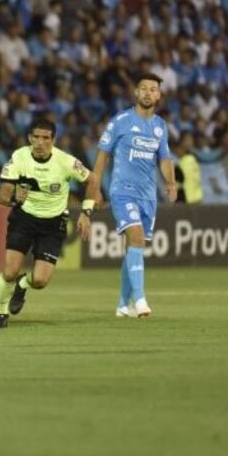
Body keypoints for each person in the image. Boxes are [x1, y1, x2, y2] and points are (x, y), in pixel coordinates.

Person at [87, 74, 176, 318]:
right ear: (136, 93)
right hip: (122, 191)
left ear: (158, 95)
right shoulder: (121, 121)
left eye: (153, 89)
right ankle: (141, 301)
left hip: (148, 196)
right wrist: (95, 189)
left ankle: (122, 305)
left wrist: (171, 182)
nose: (148, 93)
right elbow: (103, 154)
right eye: (144, 89)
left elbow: (164, 157)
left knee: (134, 246)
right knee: (135, 236)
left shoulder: (160, 126)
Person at [0, 117, 93, 329]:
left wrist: (86, 212)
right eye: (35, 137)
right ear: (29, 138)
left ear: (53, 140)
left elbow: (92, 181)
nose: (39, 142)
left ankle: (22, 285)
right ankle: (1, 314)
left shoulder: (65, 161)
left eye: (45, 138)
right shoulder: (19, 157)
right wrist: (13, 199)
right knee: (9, 271)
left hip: (53, 223)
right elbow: (3, 195)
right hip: (24, 218)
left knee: (40, 281)